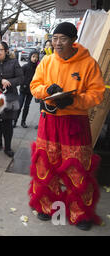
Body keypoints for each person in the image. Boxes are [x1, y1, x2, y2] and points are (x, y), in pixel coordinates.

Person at [29, 22, 105, 231]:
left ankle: (79, 213)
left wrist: (73, 101)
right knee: (45, 164)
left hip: (75, 123)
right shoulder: (46, 61)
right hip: (49, 122)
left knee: (77, 167)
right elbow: (34, 86)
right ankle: (46, 206)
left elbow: (97, 94)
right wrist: (47, 90)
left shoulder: (88, 63)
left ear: (73, 40)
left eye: (63, 39)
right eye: (55, 39)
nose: (58, 43)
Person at [13, 50, 39, 128]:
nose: (35, 58)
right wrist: (23, 83)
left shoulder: (38, 68)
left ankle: (23, 122)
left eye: (36, 57)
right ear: (30, 57)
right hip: (23, 90)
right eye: (33, 56)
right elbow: (19, 76)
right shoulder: (25, 66)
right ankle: (15, 121)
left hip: (31, 91)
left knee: (27, 106)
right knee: (20, 105)